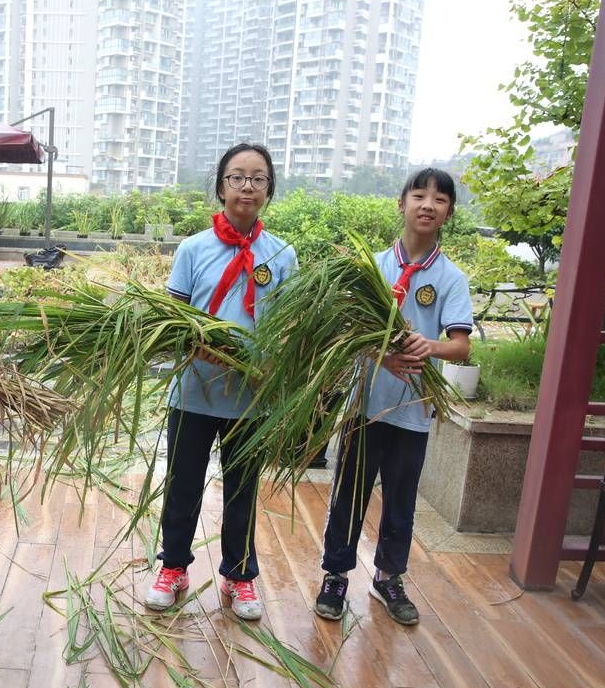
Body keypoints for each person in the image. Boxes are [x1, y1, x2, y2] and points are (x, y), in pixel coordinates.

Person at [144, 143, 299, 621]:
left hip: (252, 399)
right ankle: (173, 566)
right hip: (194, 390)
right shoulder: (194, 249)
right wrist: (210, 351)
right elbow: (171, 325)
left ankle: (240, 573)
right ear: (221, 186)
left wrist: (276, 366)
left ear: (269, 189)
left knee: (242, 488)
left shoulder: (282, 255)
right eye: (237, 177)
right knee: (184, 483)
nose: (247, 186)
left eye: (258, 178)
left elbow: (291, 325)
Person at [314, 168, 473, 626]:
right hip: (365, 405)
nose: (428, 204)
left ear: (448, 213)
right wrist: (381, 356)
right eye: (418, 195)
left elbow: (461, 345)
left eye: (439, 199)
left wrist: (432, 345)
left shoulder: (449, 278)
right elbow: (345, 332)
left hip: (413, 409)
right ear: (401, 203)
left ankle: (388, 577)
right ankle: (336, 575)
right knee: (349, 494)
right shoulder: (372, 268)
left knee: (402, 498)